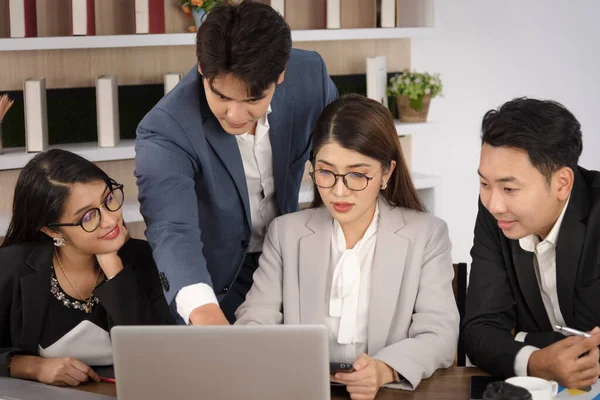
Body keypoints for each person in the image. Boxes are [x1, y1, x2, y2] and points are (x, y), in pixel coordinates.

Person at [235, 94, 459, 398]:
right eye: (326, 172)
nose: (339, 191)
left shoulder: (426, 234)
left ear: (386, 173)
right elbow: (254, 320)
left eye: (357, 175)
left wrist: (384, 369)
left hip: (387, 392)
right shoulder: (287, 233)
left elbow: (440, 335)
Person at [135, 0, 338, 325]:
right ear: (202, 66)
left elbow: (342, 151)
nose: (235, 115)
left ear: (280, 74)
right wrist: (203, 311)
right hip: (217, 281)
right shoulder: (166, 128)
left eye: (253, 100)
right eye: (222, 97)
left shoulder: (309, 77)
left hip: (293, 261)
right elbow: (172, 229)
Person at [0, 149, 173, 386]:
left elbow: (159, 356)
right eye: (89, 216)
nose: (111, 220)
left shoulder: (149, 259)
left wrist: (114, 268)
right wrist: (29, 366)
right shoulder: (12, 266)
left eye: (108, 199)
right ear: (52, 230)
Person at [462, 98, 600, 389]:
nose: (494, 203)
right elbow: (479, 329)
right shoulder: (497, 215)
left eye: (509, 188)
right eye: (484, 184)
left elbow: (591, 351)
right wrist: (536, 361)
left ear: (562, 183)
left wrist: (521, 339)